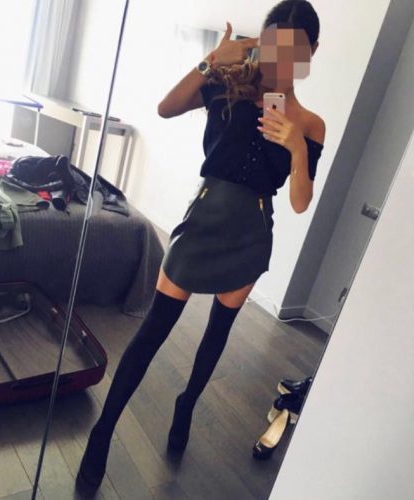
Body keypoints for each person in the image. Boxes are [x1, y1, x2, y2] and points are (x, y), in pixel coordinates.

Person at [77, 0, 325, 490]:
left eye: (295, 49)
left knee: (217, 333)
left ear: (312, 51)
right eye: (275, 45)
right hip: (205, 218)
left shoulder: (309, 122)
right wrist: (211, 60)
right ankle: (103, 432)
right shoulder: (228, 83)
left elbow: (300, 202)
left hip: (252, 232)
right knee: (153, 331)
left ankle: (187, 404)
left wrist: (297, 146)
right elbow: (166, 108)